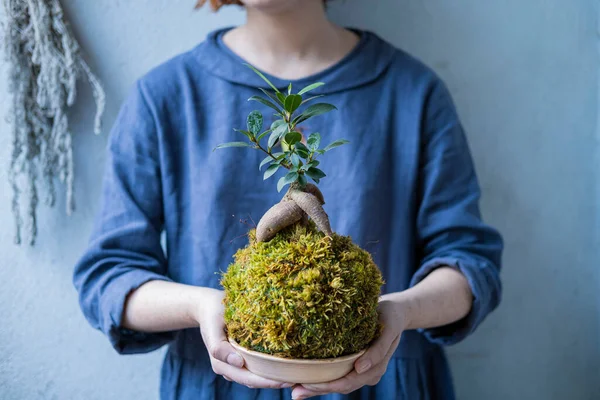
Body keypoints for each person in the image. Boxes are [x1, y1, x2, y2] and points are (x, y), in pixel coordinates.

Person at [73, 0, 503, 399]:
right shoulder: (165, 97)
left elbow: (469, 263)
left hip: (386, 385)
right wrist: (202, 306)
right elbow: (110, 276)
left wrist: (400, 312)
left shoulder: (413, 93)